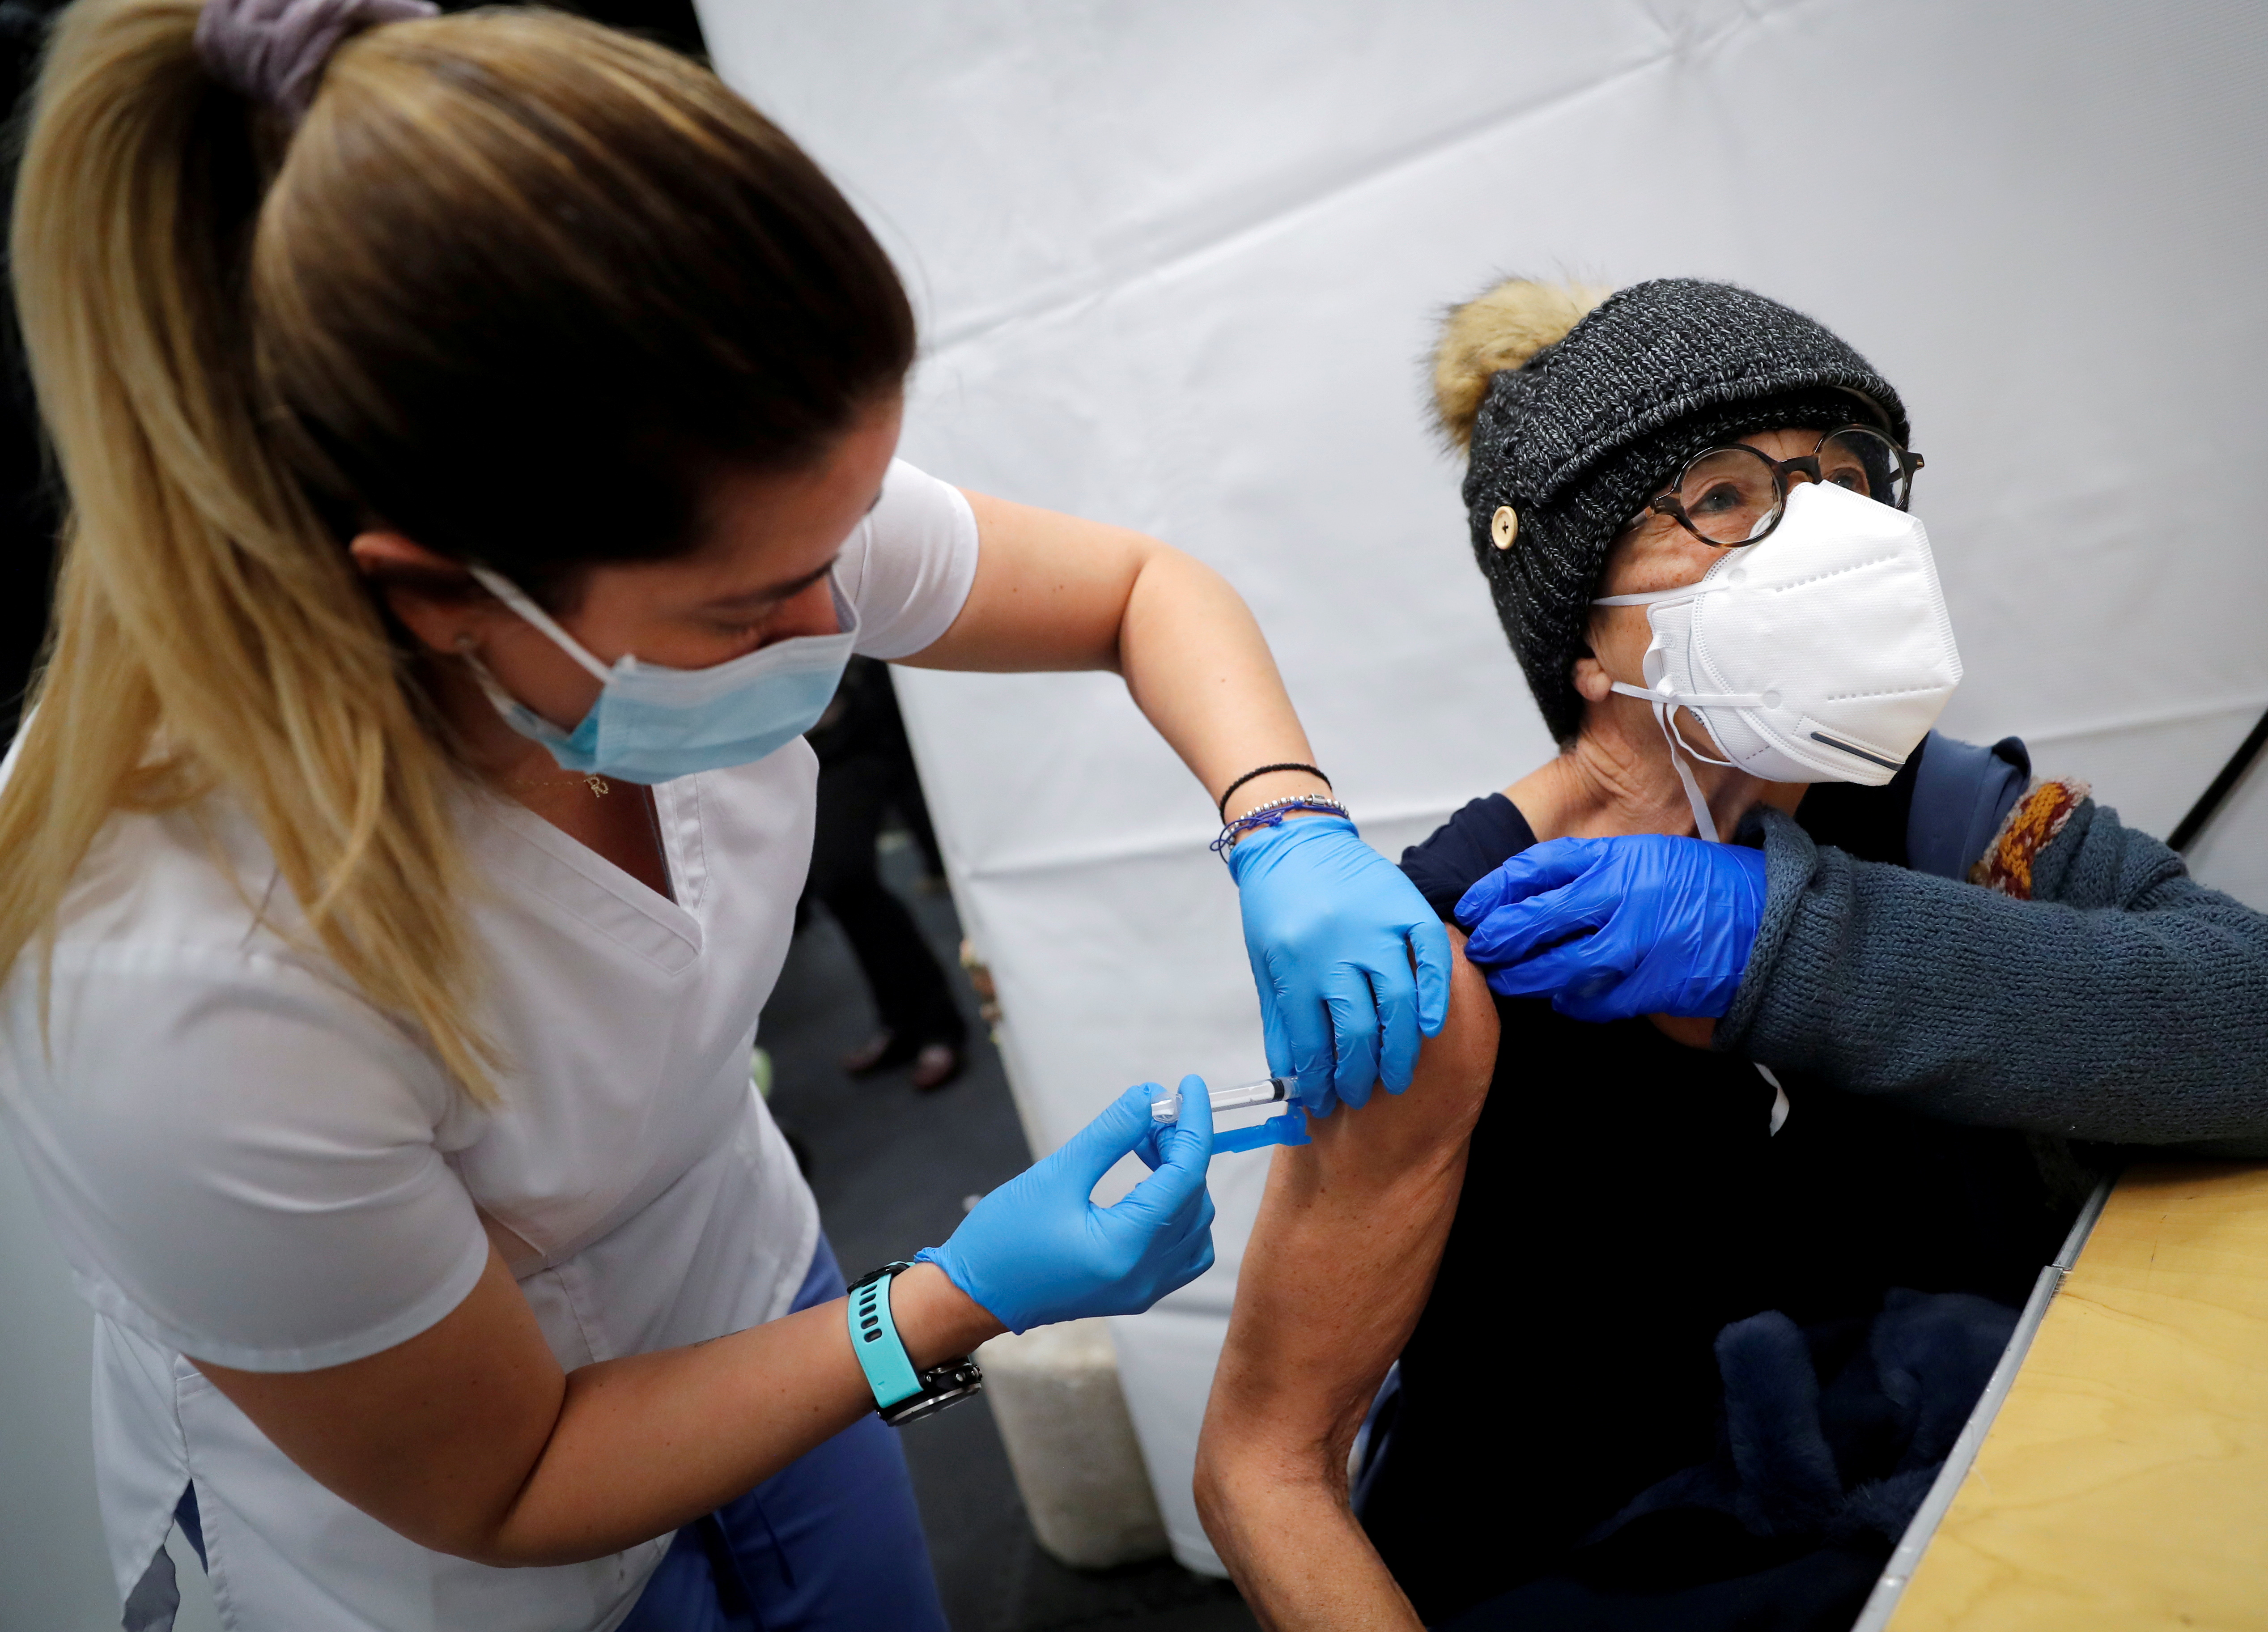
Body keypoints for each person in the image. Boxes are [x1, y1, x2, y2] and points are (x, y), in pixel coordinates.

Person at [0, 3, 1450, 1629]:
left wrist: (1286, 824)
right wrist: (953, 1302)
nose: (842, 618)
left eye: (845, 537)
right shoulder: (171, 977)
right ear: (427, 593)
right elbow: (505, 1477)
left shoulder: (718, 525)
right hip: (442, 1563)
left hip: (741, 1279)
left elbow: (1139, 588)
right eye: (755, 604)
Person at [1193, 278, 2268, 1630]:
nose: (1829, 531)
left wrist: (1797, 945)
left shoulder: (1947, 821)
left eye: (1851, 475)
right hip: (1578, 1572)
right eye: (1725, 495)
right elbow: (1263, 1469)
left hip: (1963, 1526)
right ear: (1585, 636)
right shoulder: (1451, 950)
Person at [798, 656, 967, 1091]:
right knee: (842, 892)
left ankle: (935, 1027)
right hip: (794, 747)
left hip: (847, 730)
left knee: (846, 878)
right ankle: (903, 1022)